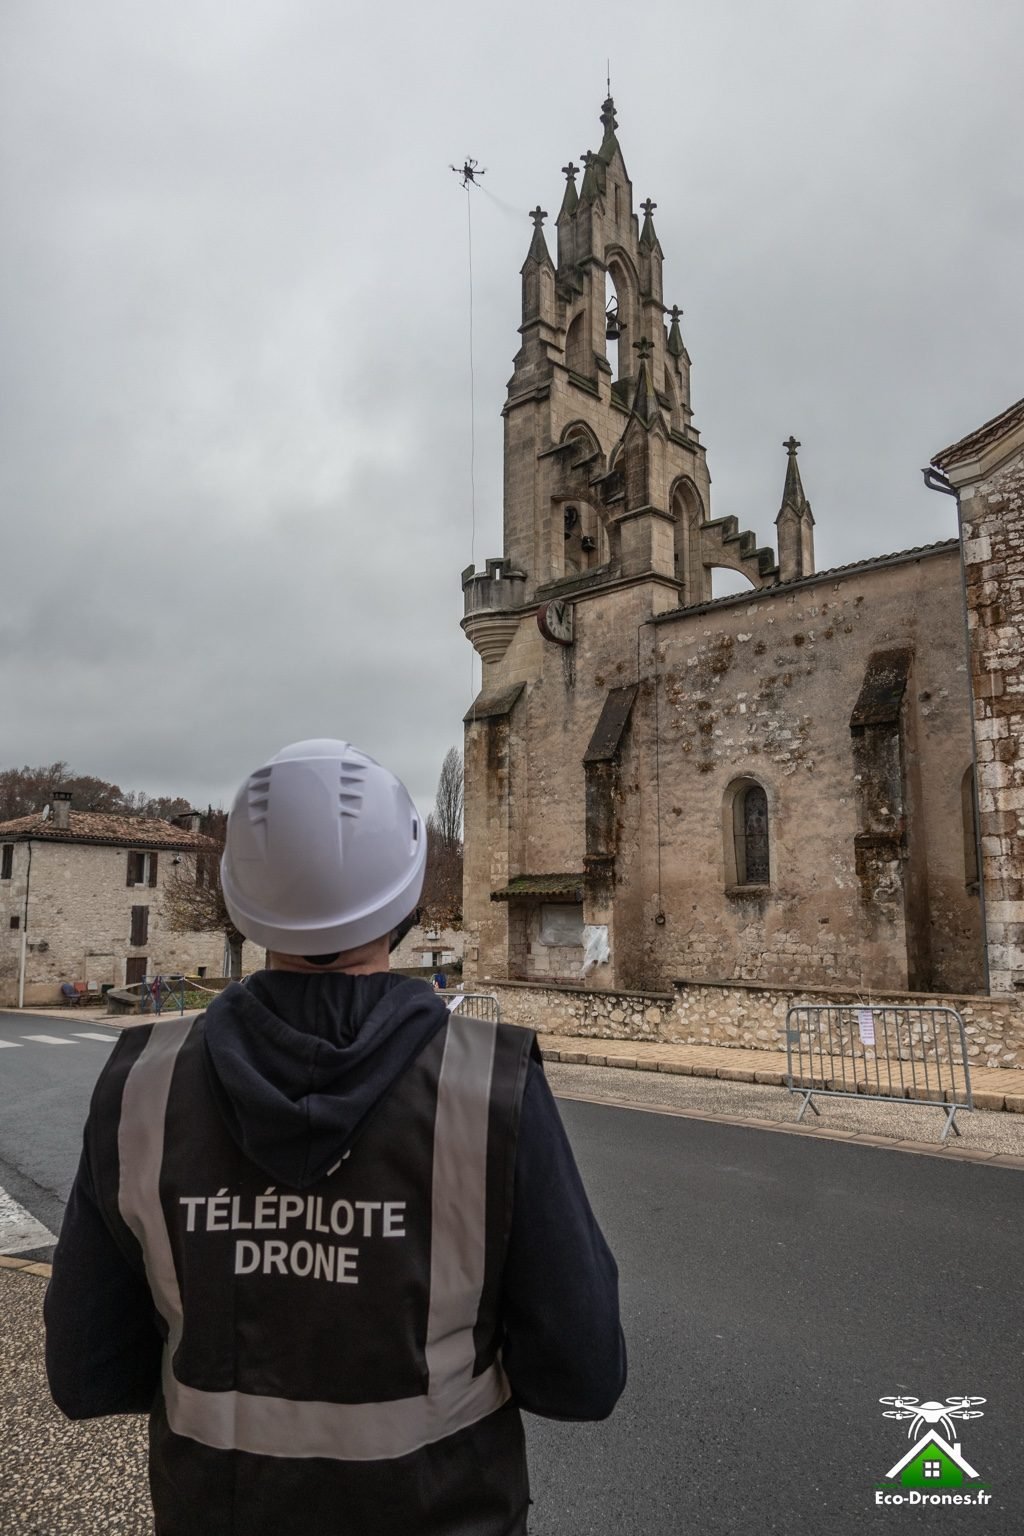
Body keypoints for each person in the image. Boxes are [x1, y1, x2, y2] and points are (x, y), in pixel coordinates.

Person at [45, 739, 626, 1535]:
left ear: (239, 898)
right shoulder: (490, 1083)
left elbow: (86, 1370)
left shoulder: (143, 1082)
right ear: (409, 890)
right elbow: (582, 1376)